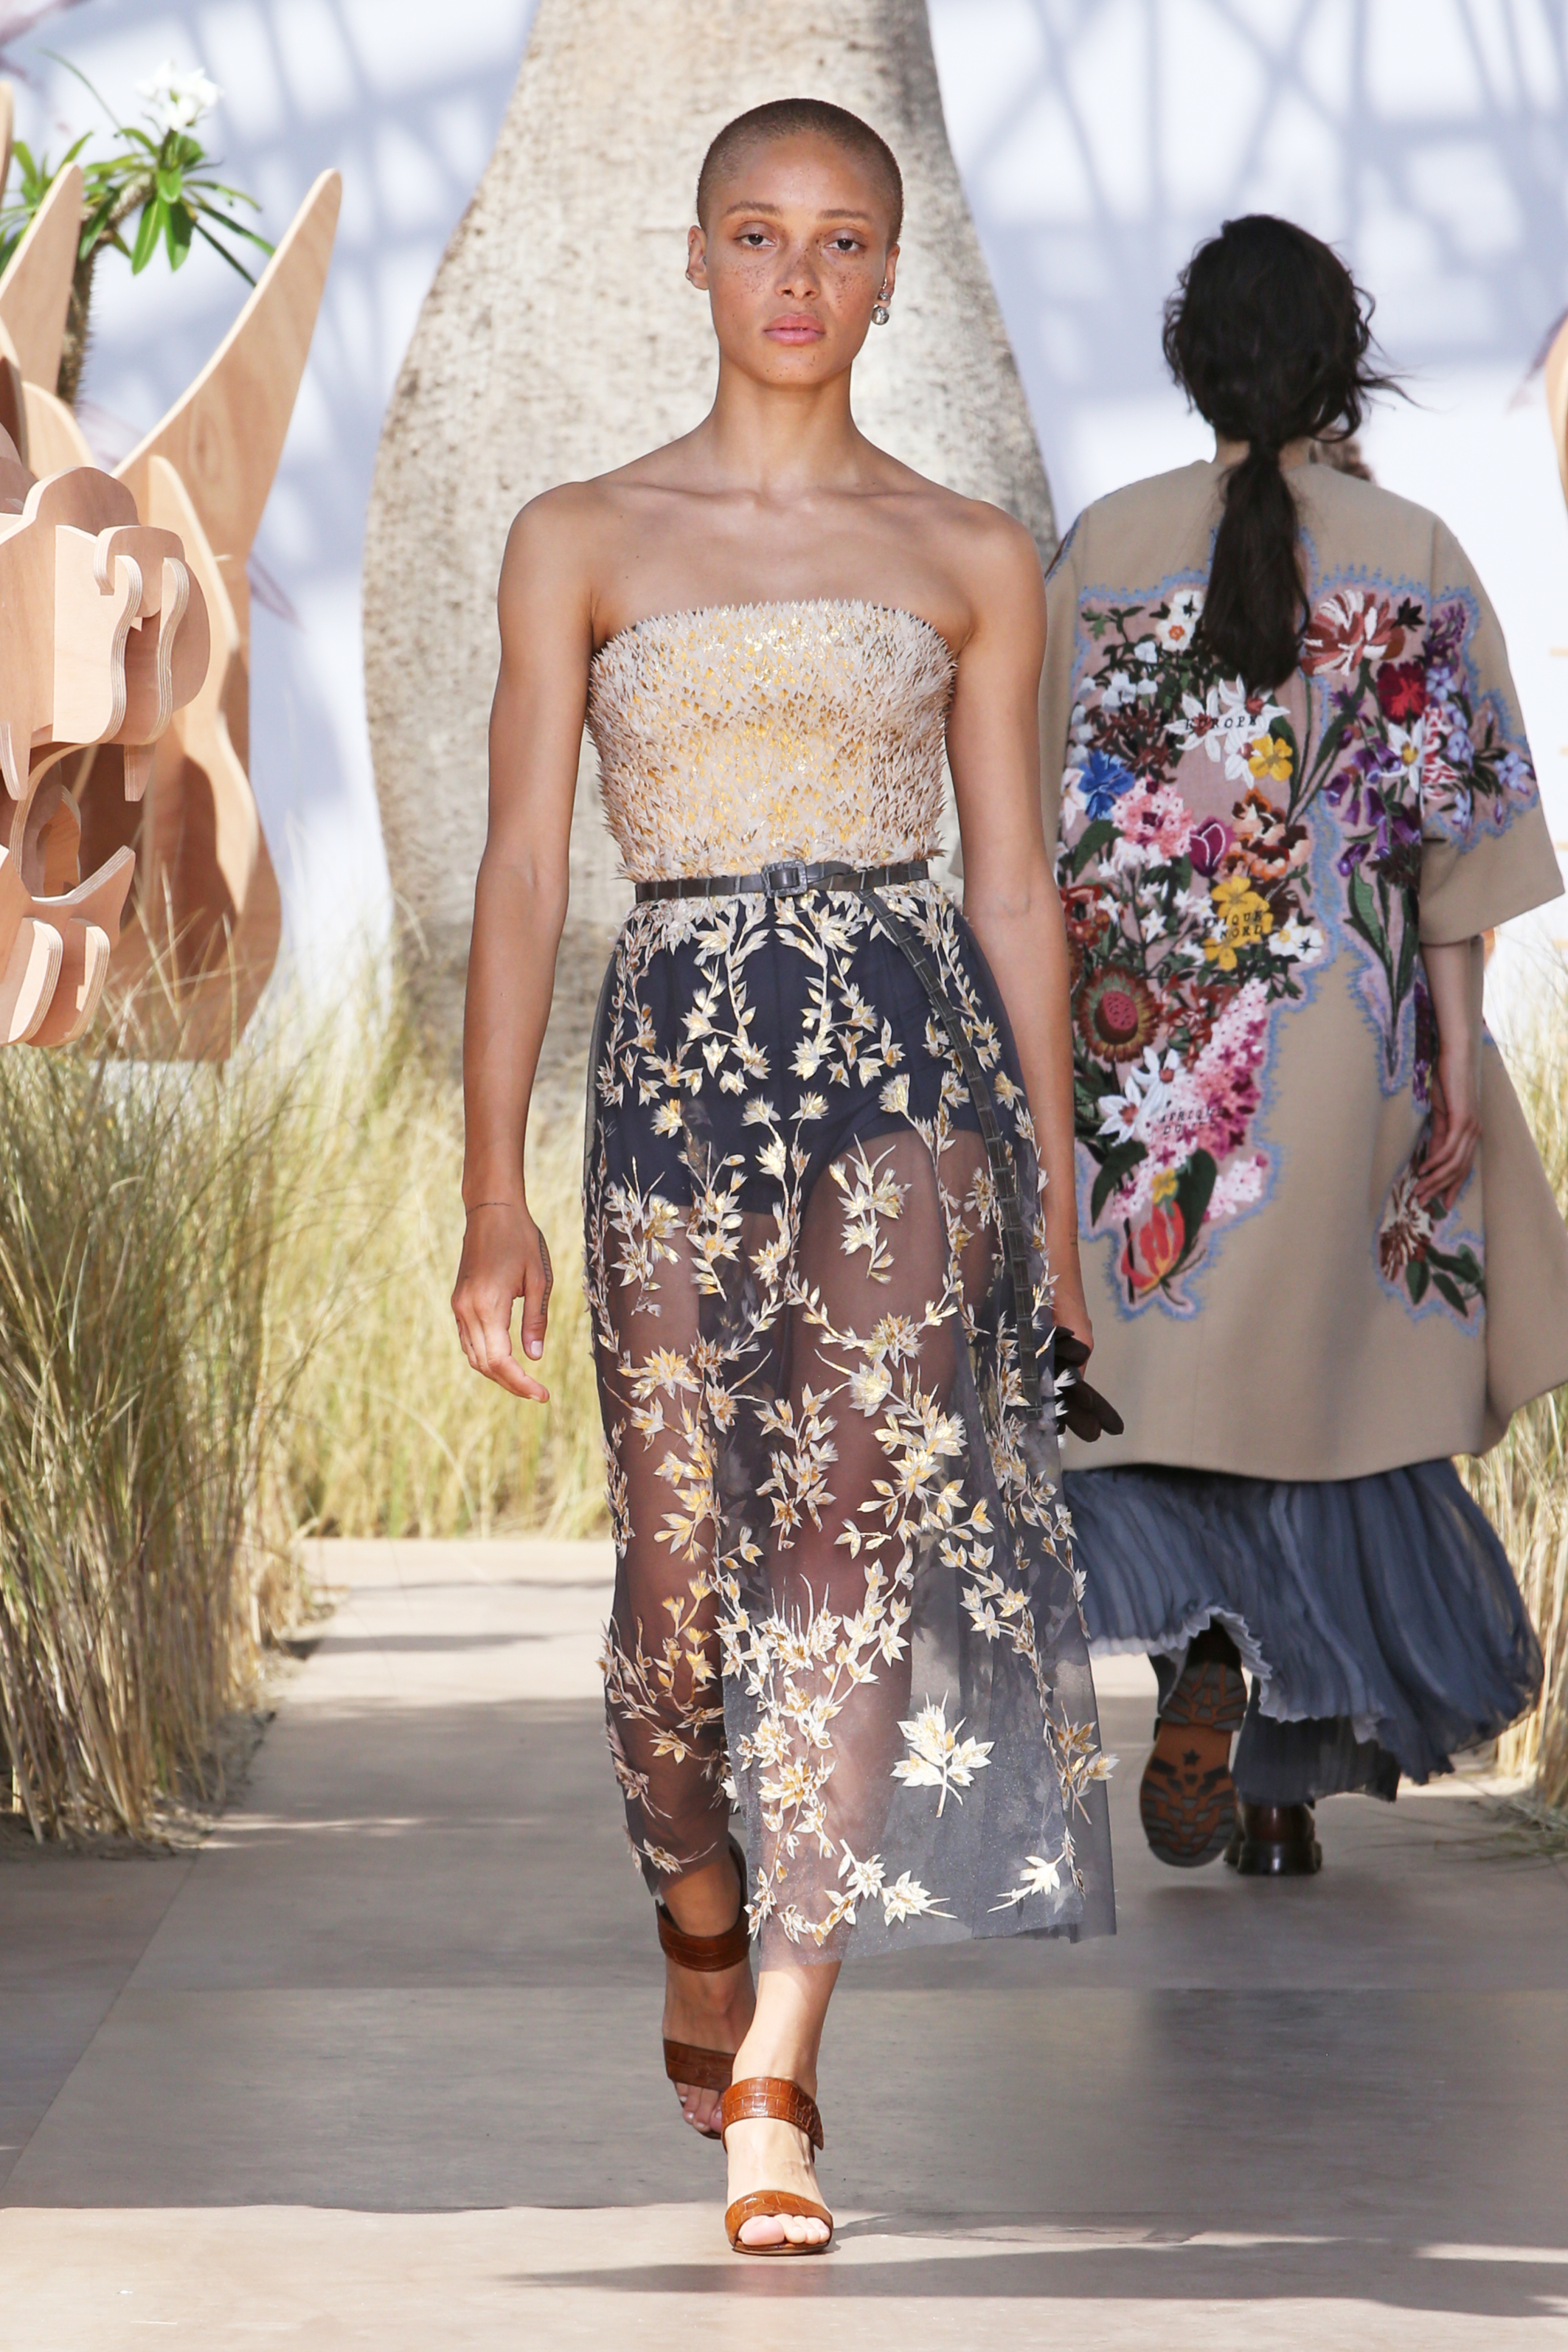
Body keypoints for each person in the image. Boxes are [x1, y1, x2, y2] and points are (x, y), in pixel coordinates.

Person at [452, 97, 1114, 2258]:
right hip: (672, 1075)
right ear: (694, 256)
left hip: (909, 1081)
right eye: (757, 234)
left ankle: (778, 2072)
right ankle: (697, 1905)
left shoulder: (966, 552)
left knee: (847, 1554)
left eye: (839, 240)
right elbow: (524, 872)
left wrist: (1062, 1192)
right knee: (674, 1587)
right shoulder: (578, 534)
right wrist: (489, 1191)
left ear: (890, 273)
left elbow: (1011, 891)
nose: (798, 277)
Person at [1041, 214, 1568, 1879]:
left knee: (1165, 1402)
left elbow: (1039, 828)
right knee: (1331, 1416)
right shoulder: (1413, 553)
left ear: (1193, 366)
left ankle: (1204, 1657)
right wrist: (1456, 1057)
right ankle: (1273, 1793)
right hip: (1345, 1044)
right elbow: (1456, 848)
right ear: (1341, 369)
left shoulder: (1105, 551)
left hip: (1149, 1058)